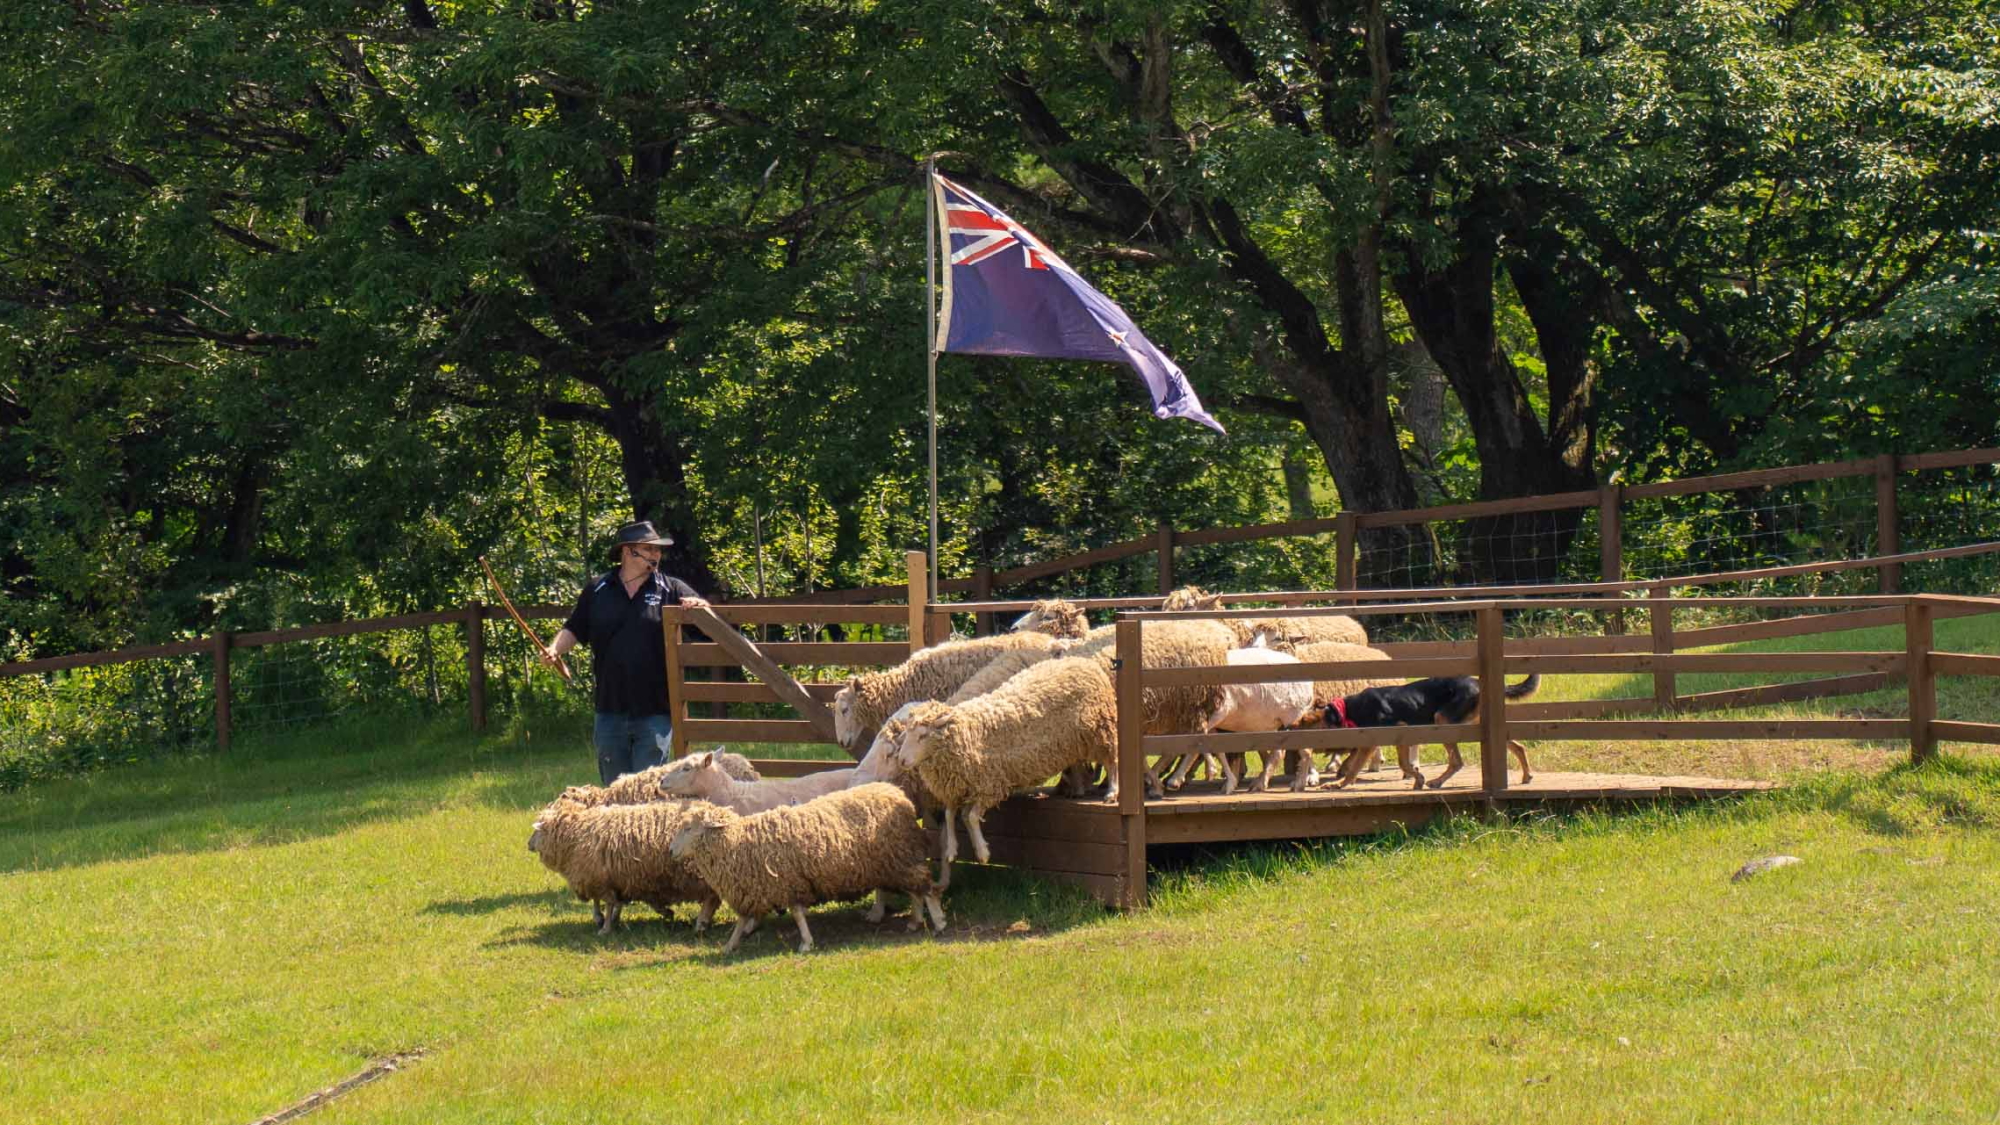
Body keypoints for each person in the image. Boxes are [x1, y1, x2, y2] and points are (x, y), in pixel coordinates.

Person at [542, 520, 710, 785]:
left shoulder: (671, 588)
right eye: (649, 549)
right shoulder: (597, 589)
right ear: (627, 551)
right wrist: (554, 649)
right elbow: (574, 629)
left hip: (656, 710)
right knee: (614, 791)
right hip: (609, 708)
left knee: (648, 791)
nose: (656, 555)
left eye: (658, 550)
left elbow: (709, 626)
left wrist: (700, 608)